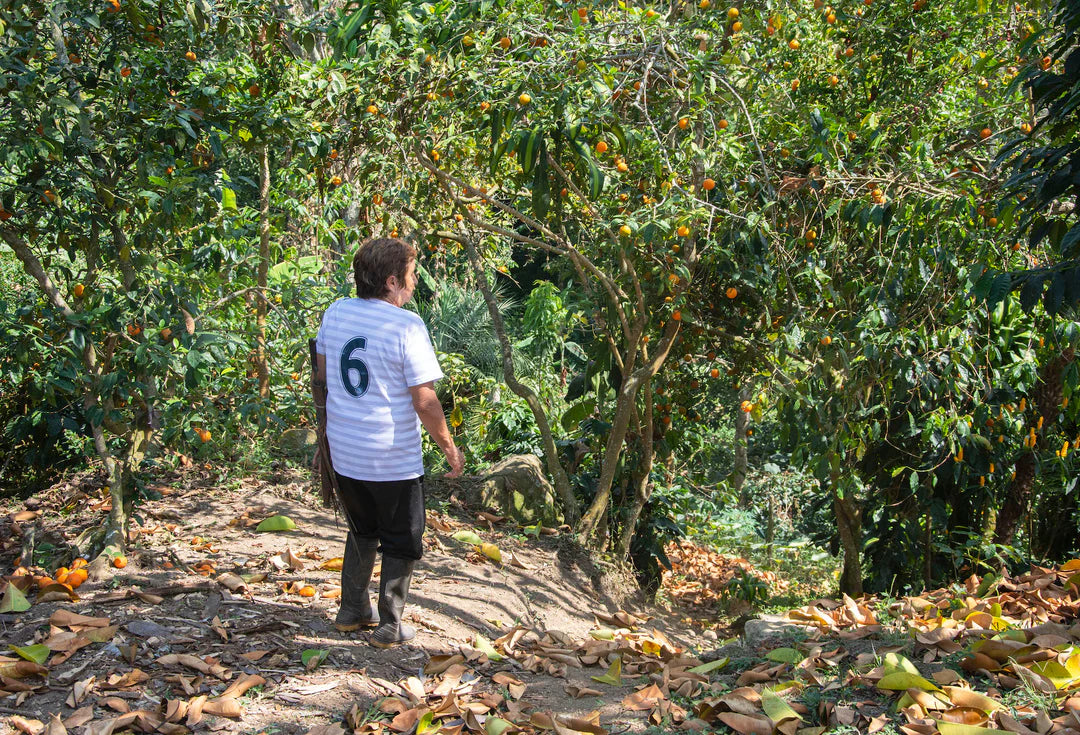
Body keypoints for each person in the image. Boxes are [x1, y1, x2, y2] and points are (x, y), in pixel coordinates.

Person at [314, 237, 464, 648]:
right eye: (411, 275)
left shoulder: (337, 312)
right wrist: (449, 447)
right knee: (402, 538)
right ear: (392, 281)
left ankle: (352, 610)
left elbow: (322, 377)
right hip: (391, 456)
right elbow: (425, 400)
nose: (415, 283)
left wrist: (329, 435)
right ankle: (390, 624)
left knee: (362, 527)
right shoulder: (407, 326)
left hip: (345, 450)